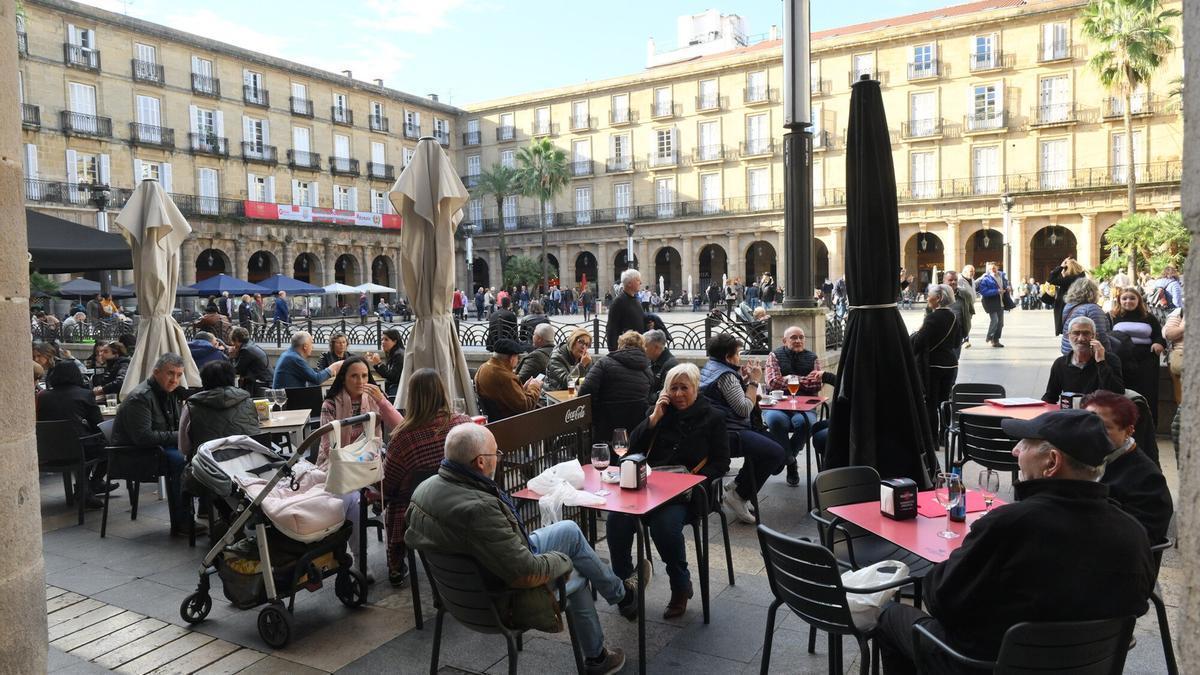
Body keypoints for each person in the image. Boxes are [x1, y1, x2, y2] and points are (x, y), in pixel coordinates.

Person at [875, 409, 1155, 674]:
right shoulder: (1133, 532)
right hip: (1087, 666)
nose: (1015, 450)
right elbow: (1134, 607)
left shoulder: (1010, 525)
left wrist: (948, 564)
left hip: (984, 665)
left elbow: (941, 600)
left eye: (1025, 444)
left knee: (890, 617)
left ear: (1052, 462)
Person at [405, 424, 635, 674]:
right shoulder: (480, 509)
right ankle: (598, 656)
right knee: (578, 576)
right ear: (481, 462)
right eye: (496, 454)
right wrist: (563, 561)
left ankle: (621, 595)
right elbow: (525, 572)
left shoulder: (423, 490)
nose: (500, 459)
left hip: (455, 595)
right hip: (496, 601)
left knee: (568, 530)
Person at [607, 363, 730, 620]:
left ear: (695, 389)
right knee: (616, 519)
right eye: (672, 388)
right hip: (648, 486)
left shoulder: (713, 417)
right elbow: (630, 450)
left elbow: (721, 462)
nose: (678, 394)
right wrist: (652, 420)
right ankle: (626, 585)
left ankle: (680, 585)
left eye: (684, 388)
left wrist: (694, 482)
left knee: (664, 527)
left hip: (686, 494)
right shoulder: (660, 412)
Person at [384, 368, 472, 586]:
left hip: (418, 510)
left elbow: (388, 484)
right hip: (459, 501)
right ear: (442, 392)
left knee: (395, 499)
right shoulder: (463, 424)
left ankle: (395, 564)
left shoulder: (403, 438)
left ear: (411, 397)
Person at [320, 356, 404, 570]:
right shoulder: (330, 404)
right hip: (339, 466)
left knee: (402, 488)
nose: (360, 381)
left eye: (365, 376)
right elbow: (329, 448)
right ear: (344, 379)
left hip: (371, 463)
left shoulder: (374, 398)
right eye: (354, 376)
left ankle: (397, 556)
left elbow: (401, 428)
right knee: (353, 498)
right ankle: (360, 559)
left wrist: (383, 401)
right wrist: (359, 461)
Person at [700, 333, 786, 524]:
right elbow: (743, 409)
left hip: (720, 430)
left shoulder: (711, 367)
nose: (739, 357)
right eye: (737, 353)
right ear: (728, 356)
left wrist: (744, 382)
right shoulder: (726, 376)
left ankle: (738, 484)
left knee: (772, 445)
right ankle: (738, 495)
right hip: (729, 434)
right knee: (775, 453)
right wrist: (754, 382)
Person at [112, 353, 196, 535]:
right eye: (170, 374)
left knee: (201, 456)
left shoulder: (170, 393)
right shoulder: (140, 398)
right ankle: (182, 522)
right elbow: (144, 438)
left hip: (158, 449)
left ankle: (202, 512)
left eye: (179, 375)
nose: (175, 380)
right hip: (136, 455)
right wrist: (181, 434)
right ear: (156, 372)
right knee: (182, 462)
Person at [1082, 391, 1173, 544]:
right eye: (1087, 423)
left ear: (1128, 431)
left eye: (1105, 427)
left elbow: (1142, 536)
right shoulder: (1080, 457)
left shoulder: (1148, 479)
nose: (1092, 431)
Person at [763, 326, 834, 487]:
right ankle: (790, 460)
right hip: (778, 405)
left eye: (801, 337)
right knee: (775, 421)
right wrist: (803, 381)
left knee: (805, 423)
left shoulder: (812, 357)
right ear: (784, 340)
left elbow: (816, 384)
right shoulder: (774, 355)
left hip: (805, 405)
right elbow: (773, 382)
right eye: (794, 337)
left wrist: (789, 378)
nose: (798, 341)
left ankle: (787, 457)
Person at [38, 361, 113, 506]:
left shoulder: (43, 396)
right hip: (79, 449)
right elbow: (98, 425)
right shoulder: (85, 394)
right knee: (109, 447)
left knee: (84, 445)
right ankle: (91, 485)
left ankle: (85, 489)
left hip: (48, 451)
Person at [578, 330, 654, 449]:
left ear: (620, 346)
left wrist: (595, 416)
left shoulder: (604, 363)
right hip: (636, 432)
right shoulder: (647, 369)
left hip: (605, 430)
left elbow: (584, 393)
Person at [178, 360, 260, 459]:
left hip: (208, 467)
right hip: (248, 464)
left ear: (204, 381)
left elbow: (184, 449)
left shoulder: (191, 407)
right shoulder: (248, 402)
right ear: (232, 379)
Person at [911, 285, 961, 440]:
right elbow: (957, 342)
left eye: (929, 295)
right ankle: (944, 437)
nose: (927, 297)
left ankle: (932, 439)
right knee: (945, 401)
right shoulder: (953, 317)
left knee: (931, 403)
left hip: (933, 365)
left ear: (938, 298)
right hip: (951, 364)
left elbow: (918, 342)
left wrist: (916, 332)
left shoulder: (932, 318)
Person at [1110, 287, 1167, 423]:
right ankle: (1123, 425)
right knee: (1123, 394)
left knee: (1148, 394)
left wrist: (1158, 343)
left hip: (1146, 361)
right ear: (1119, 300)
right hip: (1121, 361)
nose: (1128, 301)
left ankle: (1149, 426)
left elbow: (1159, 336)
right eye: (1124, 298)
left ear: (1138, 300)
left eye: (1132, 298)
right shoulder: (1112, 316)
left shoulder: (1148, 317)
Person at [1042, 316, 1125, 403]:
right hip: (1071, 414)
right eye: (1076, 333)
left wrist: (1101, 362)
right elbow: (1050, 397)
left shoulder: (1110, 360)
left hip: (1100, 414)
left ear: (1094, 336)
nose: (1081, 339)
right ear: (1068, 336)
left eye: (1086, 333)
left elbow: (1117, 393)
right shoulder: (1060, 364)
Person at [475, 338, 542, 420]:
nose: (518, 360)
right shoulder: (504, 377)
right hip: (511, 422)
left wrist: (523, 388)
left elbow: (507, 396)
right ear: (512, 358)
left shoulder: (484, 367)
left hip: (496, 419)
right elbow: (526, 407)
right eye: (517, 357)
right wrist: (534, 386)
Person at [1059, 277, 1113, 355]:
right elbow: (1101, 336)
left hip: (1069, 351)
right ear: (1093, 292)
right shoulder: (1092, 309)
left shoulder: (1068, 307)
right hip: (1087, 355)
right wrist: (1107, 355)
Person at [273, 331, 344, 389]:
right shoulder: (294, 359)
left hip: (287, 397)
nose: (313, 346)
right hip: (288, 402)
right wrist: (334, 367)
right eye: (311, 343)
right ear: (305, 346)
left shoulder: (288, 355)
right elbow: (317, 379)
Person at [607, 270, 646, 352]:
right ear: (629, 283)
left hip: (638, 348)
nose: (641, 283)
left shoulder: (636, 300)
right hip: (626, 350)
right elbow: (612, 328)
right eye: (638, 280)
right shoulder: (618, 301)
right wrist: (613, 351)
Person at [228, 326, 271, 397]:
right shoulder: (251, 345)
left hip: (261, 384)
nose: (233, 346)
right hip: (265, 380)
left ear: (236, 339)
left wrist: (232, 357)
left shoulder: (245, 350)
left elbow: (236, 370)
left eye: (233, 343)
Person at [1049, 257, 1087, 335]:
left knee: (1068, 330)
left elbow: (1051, 280)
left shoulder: (1069, 279)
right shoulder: (1081, 277)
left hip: (1066, 305)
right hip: (1079, 305)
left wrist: (1060, 267)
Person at [975, 262, 1010, 348]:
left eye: (994, 268)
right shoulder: (986, 279)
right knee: (995, 320)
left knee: (1001, 323)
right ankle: (989, 338)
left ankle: (996, 340)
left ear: (997, 267)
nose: (992, 270)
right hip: (991, 302)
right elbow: (983, 291)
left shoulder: (1002, 276)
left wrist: (1007, 288)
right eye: (990, 269)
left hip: (1000, 302)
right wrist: (996, 291)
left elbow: (1005, 285)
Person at [367, 328, 405, 398]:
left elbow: (392, 377)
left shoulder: (399, 355)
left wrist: (379, 363)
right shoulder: (393, 352)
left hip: (397, 389)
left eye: (386, 339)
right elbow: (387, 374)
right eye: (382, 339)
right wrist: (376, 364)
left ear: (395, 341)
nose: (383, 342)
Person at [943, 270, 975, 348]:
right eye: (950, 280)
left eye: (955, 280)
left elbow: (971, 310)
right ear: (944, 281)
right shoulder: (937, 294)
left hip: (958, 331)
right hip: (941, 331)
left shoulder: (965, 294)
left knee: (955, 356)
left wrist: (966, 323)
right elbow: (929, 313)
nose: (953, 282)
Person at [642, 329, 678, 394]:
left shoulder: (671, 365)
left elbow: (665, 392)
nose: (643, 350)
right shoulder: (650, 361)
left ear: (656, 347)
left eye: (645, 346)